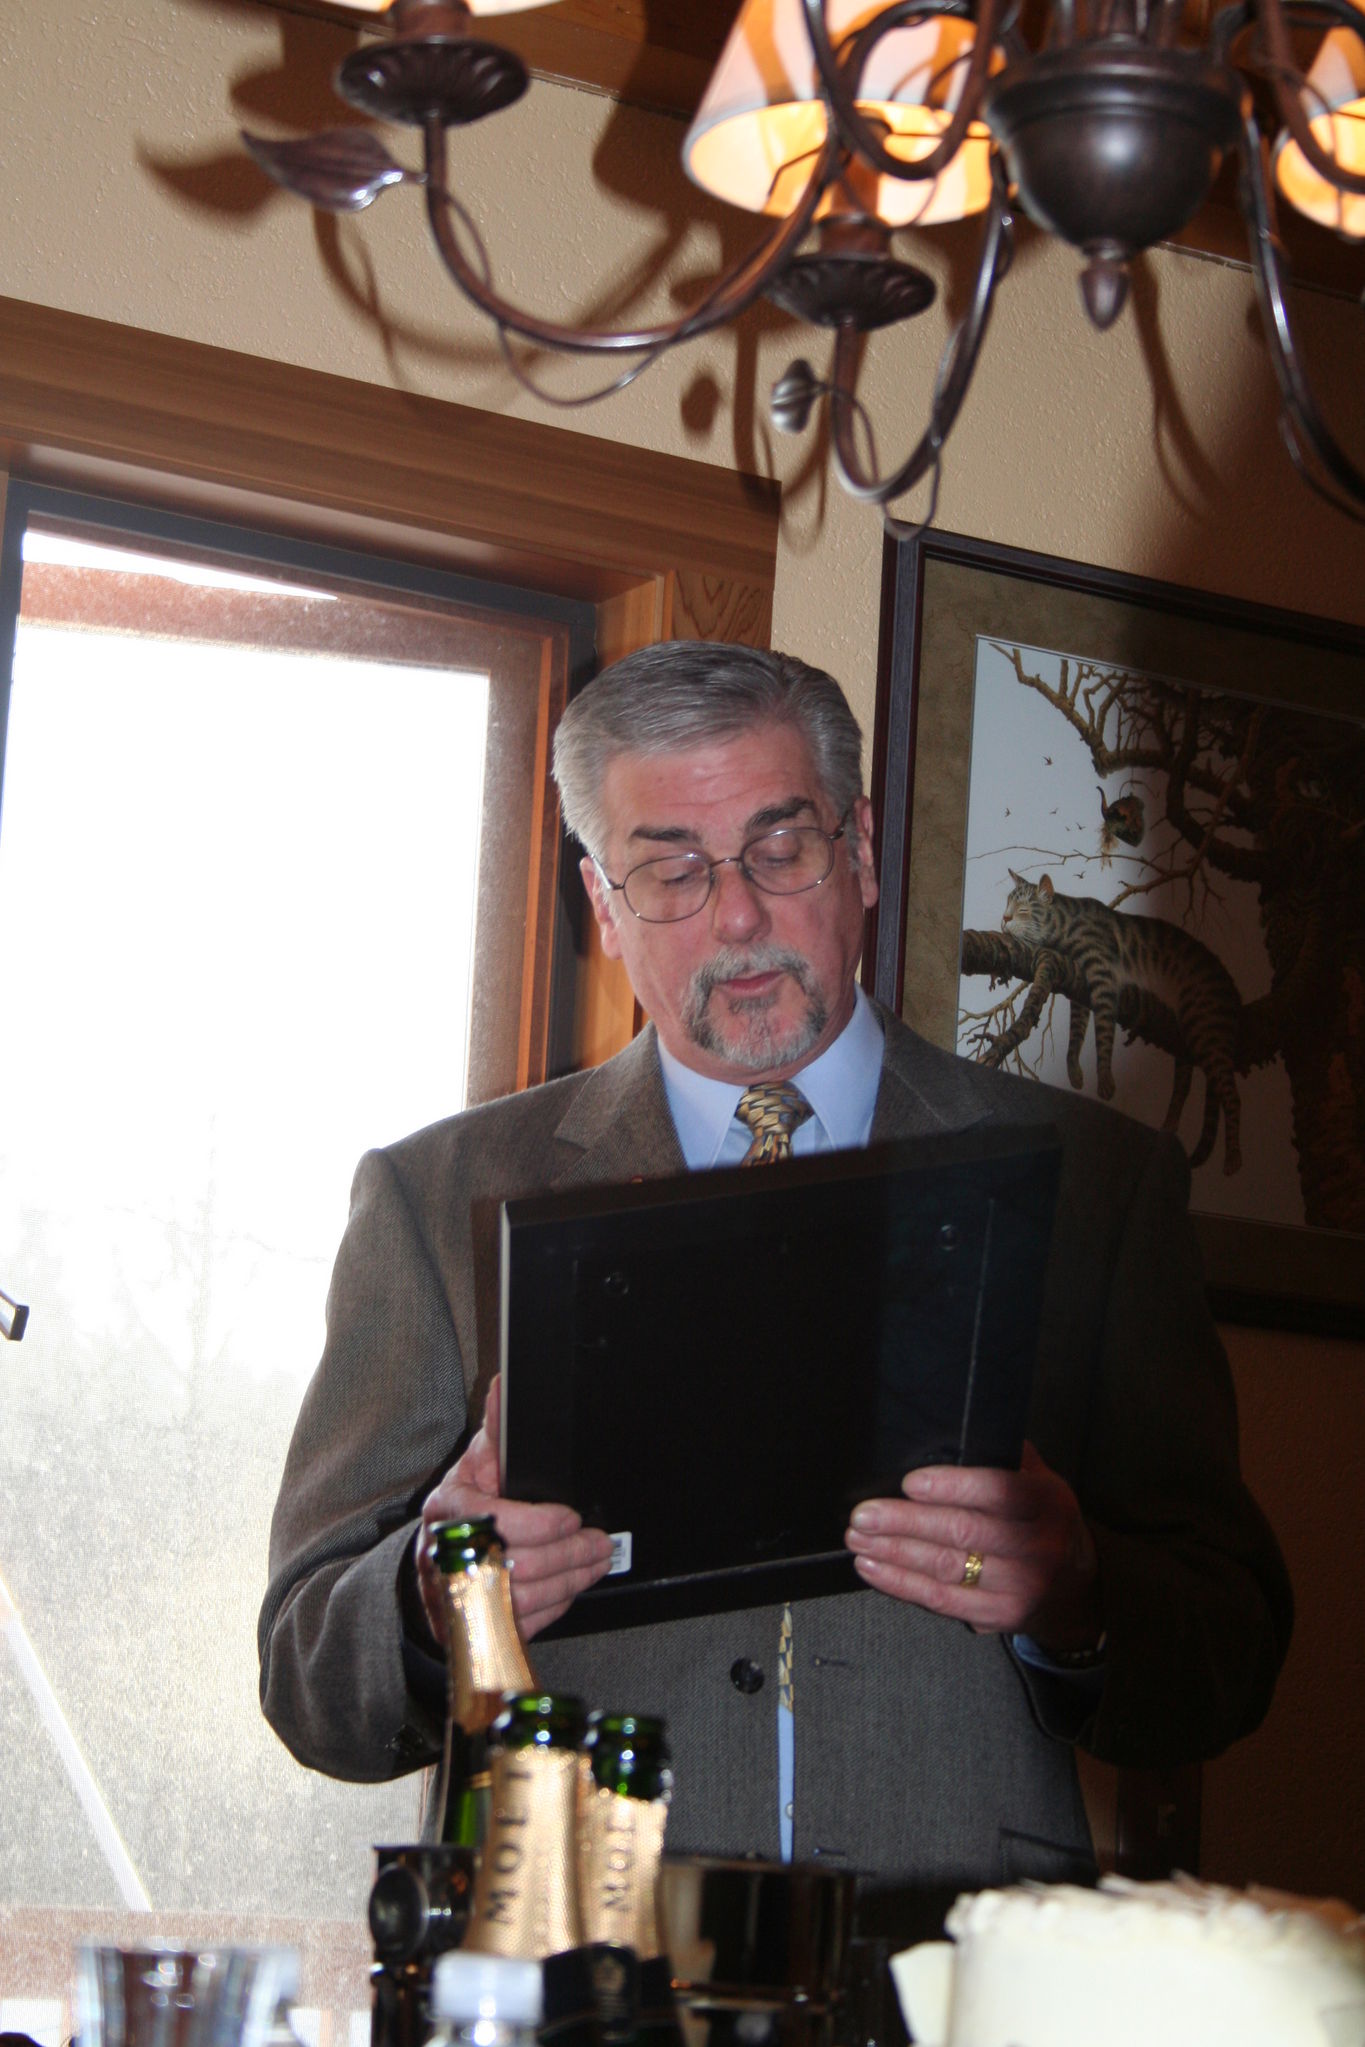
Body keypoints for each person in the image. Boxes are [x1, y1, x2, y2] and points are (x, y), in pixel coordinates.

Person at [258, 641, 1290, 1913]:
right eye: (671, 870)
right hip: (581, 1961)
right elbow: (305, 1676)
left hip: (957, 1968)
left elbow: (1233, 1651)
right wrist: (437, 1599)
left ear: (862, 851)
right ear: (603, 905)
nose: (736, 916)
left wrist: (1078, 1594)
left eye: (780, 847)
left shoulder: (1102, 1184)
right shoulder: (432, 1200)